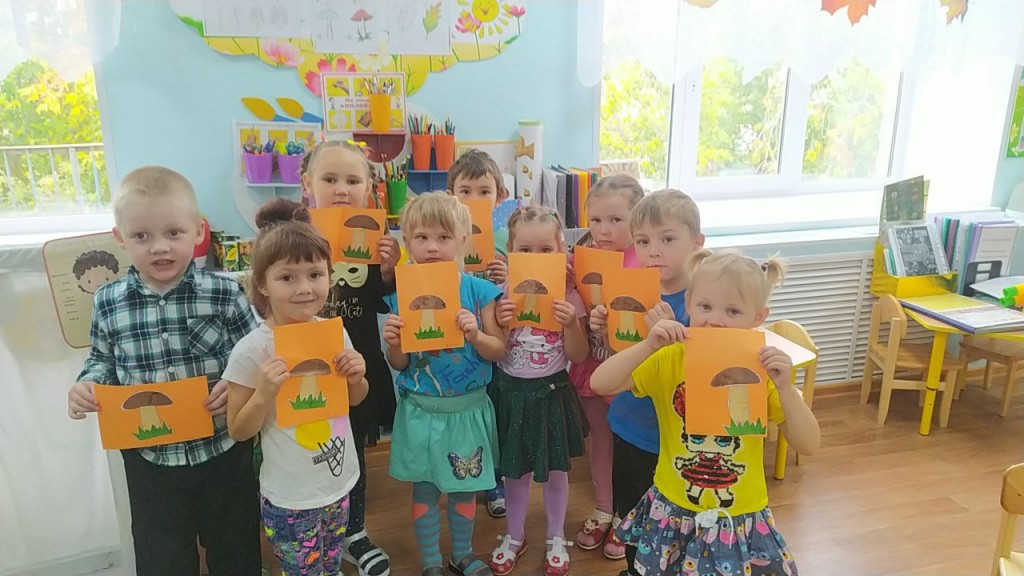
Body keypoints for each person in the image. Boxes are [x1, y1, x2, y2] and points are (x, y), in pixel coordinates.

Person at [67, 166, 261, 575]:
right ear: (120, 238)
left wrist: (237, 383)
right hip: (150, 461)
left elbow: (256, 353)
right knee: (163, 561)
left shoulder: (224, 292)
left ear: (198, 231)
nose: (159, 247)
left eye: (173, 232)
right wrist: (88, 384)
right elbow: (102, 360)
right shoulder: (107, 301)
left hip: (223, 451)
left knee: (236, 552)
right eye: (141, 236)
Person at [590, 249, 821, 575]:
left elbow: (809, 444)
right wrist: (648, 345)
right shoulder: (670, 357)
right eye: (705, 306)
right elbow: (600, 383)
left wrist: (785, 388)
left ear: (758, 317)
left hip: (738, 516)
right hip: (673, 510)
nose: (715, 319)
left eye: (733, 311)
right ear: (689, 302)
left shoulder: (762, 371)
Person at [224, 198, 369, 575]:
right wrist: (263, 394)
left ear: (329, 276)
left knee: (331, 565)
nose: (304, 288)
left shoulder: (333, 333)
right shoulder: (252, 350)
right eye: (287, 277)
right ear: (262, 283)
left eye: (315, 274)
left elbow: (354, 399)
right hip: (290, 498)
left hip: (339, 483)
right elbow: (238, 430)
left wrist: (357, 376)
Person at [382, 192, 507, 576]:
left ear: (462, 240)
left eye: (443, 237)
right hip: (421, 411)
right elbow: (399, 364)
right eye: (421, 238)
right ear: (407, 242)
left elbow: (497, 351)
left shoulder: (480, 292)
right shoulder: (401, 294)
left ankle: (462, 553)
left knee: (464, 487)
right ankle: (431, 561)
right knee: (424, 490)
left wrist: (476, 334)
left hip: (467, 411)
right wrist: (394, 343)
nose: (432, 247)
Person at [589, 188, 706, 576]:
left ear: (697, 243)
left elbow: (705, 373)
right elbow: (620, 363)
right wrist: (604, 329)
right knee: (632, 521)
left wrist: (674, 338)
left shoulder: (706, 302)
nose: (653, 251)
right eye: (642, 241)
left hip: (681, 442)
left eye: (667, 239)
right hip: (631, 429)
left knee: (682, 530)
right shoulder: (629, 288)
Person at [301, 139, 399, 576]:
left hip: (357, 365)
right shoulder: (293, 236)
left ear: (369, 188)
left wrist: (389, 271)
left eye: (353, 180)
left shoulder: (374, 235)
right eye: (330, 179)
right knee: (308, 449)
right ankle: (313, 529)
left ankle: (353, 531)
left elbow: (381, 300)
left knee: (353, 448)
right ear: (308, 184)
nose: (342, 189)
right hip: (304, 369)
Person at [487, 206, 589, 576]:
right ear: (510, 252)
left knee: (556, 471)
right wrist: (500, 322)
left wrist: (571, 323)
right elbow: (495, 350)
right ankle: (515, 535)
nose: (536, 257)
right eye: (525, 250)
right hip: (512, 394)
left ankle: (556, 536)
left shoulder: (569, 297)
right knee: (514, 473)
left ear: (561, 250)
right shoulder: (499, 296)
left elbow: (578, 355)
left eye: (546, 250)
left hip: (551, 393)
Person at [570, 173, 644, 560]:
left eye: (616, 220)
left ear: (638, 219)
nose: (603, 229)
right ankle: (603, 507)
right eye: (596, 220)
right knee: (599, 440)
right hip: (592, 364)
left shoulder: (646, 261)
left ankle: (626, 515)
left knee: (628, 445)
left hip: (631, 375)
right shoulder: (582, 254)